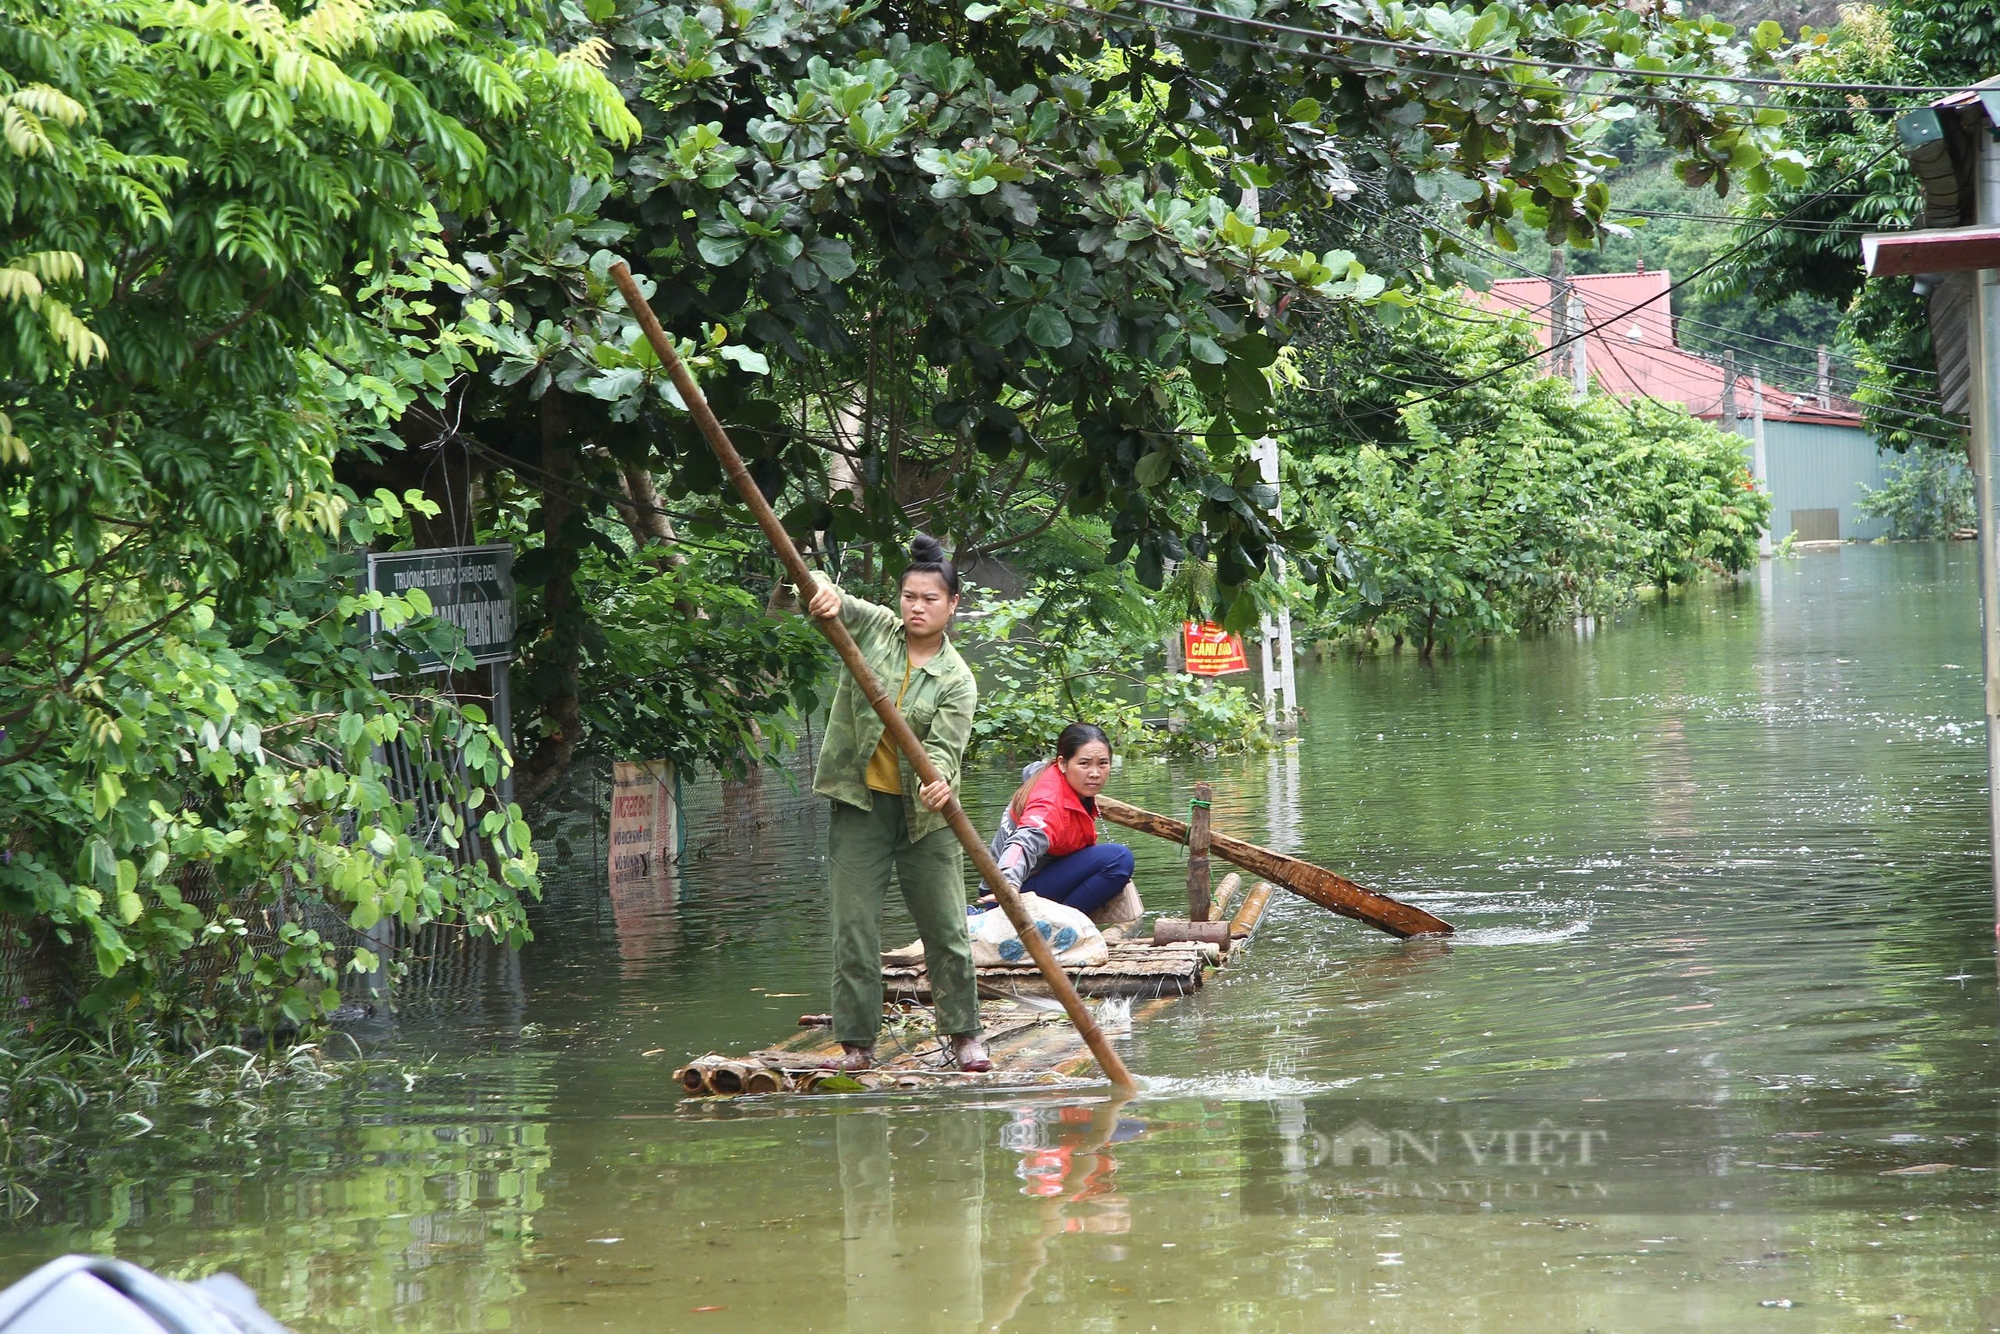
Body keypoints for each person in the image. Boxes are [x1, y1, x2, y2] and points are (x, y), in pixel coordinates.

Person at [803, 535, 988, 1073]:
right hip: (861, 807)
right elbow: (826, 596)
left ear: (952, 606)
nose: (917, 607)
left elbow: (946, 752)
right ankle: (858, 1043)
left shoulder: (958, 679)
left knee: (947, 930)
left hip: (925, 818)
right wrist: (823, 596)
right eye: (909, 596)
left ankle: (964, 1035)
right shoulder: (877, 629)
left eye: (930, 599)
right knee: (854, 929)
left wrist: (941, 784)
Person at [985, 723, 1138, 920]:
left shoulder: (1053, 777)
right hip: (1006, 896)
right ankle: (1062, 927)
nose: (1095, 773)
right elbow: (1022, 843)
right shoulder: (1048, 803)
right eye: (1084, 764)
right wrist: (1008, 885)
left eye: (1103, 763)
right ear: (1062, 764)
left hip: (1028, 882)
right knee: (1118, 859)